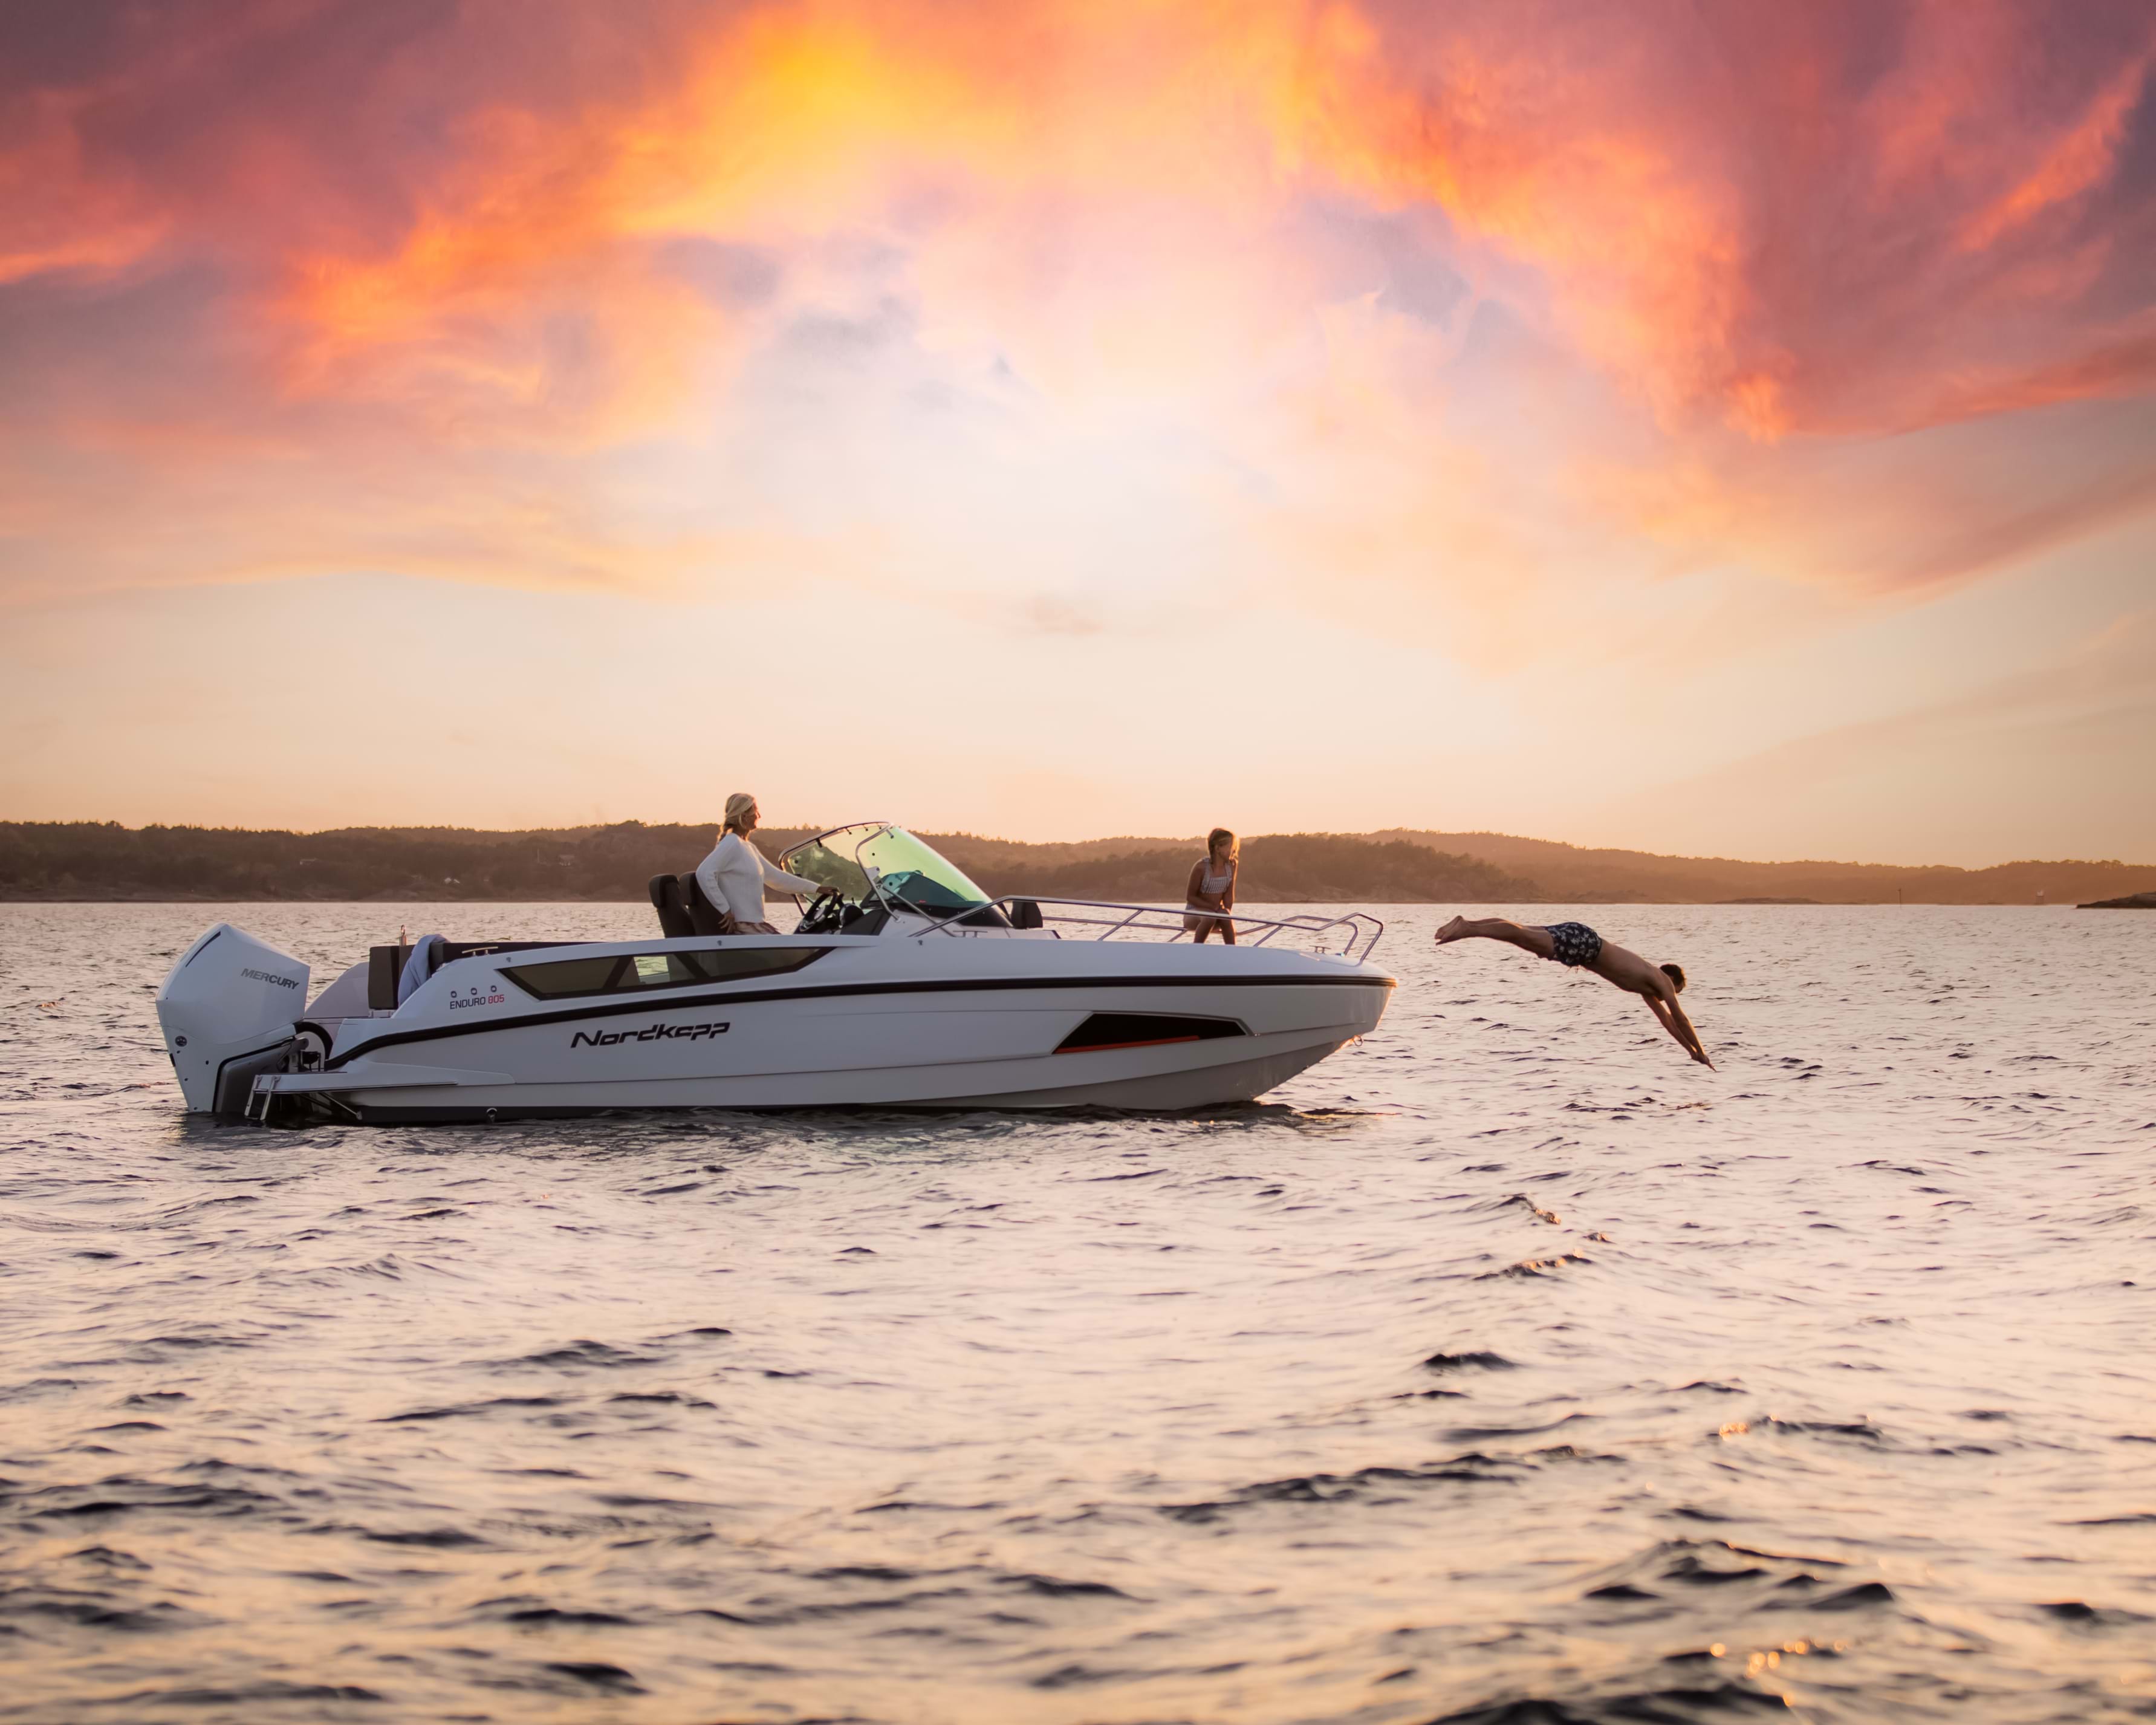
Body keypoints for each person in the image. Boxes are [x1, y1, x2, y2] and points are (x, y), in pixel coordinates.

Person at [1434, 914, 1713, 1067]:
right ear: (1673, 980)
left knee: (1523, 935)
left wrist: (1692, 1052)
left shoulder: (1649, 987)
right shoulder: (1662, 981)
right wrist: (1701, 1048)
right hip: (1587, 945)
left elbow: (1666, 1023)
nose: (1673, 997)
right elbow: (1680, 1019)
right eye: (1677, 992)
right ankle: (1468, 927)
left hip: (1583, 944)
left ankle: (1470, 925)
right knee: (1524, 937)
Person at [694, 793, 819, 934]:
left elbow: (776, 879)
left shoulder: (747, 847)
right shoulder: (732, 843)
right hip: (744, 927)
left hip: (756, 924)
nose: (758, 816)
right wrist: (725, 909)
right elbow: (704, 873)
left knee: (799, 946)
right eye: (755, 811)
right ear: (744, 816)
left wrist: (817, 889)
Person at [1184, 828, 1240, 944]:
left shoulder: (1232, 865)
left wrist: (1226, 911)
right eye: (1230, 847)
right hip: (1194, 915)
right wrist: (1211, 907)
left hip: (1216, 913)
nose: (1233, 851)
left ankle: (1233, 952)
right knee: (1209, 917)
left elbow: (1229, 895)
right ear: (1218, 848)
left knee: (1226, 916)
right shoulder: (1201, 867)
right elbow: (1190, 897)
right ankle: (1197, 950)